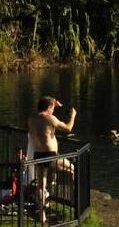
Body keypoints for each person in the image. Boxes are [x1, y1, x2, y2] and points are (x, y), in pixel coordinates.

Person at [28, 96, 76, 224]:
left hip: (38, 154)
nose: (54, 110)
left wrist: (53, 102)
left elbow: (45, 104)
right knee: (72, 170)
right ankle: (73, 200)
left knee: (41, 185)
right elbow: (68, 128)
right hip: (51, 154)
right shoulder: (49, 118)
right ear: (48, 108)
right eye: (53, 108)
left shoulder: (32, 118)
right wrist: (73, 115)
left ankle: (42, 216)